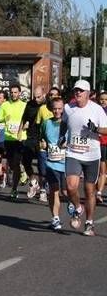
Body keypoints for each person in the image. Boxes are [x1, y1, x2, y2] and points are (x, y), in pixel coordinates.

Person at [62, 79, 107, 236]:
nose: (78, 93)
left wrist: (96, 129)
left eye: (81, 91)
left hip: (92, 155)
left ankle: (89, 223)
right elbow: (63, 123)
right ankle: (78, 207)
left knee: (89, 191)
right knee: (71, 186)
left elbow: (106, 130)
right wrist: (62, 137)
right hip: (73, 153)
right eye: (76, 90)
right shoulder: (68, 108)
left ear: (88, 93)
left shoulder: (97, 110)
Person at [0, 82, 30, 200]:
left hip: (20, 138)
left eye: (15, 92)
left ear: (20, 93)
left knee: (16, 163)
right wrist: (3, 119)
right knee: (11, 164)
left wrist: (26, 124)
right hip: (8, 138)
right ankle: (22, 172)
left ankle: (14, 188)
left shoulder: (24, 105)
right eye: (11, 92)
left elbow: (29, 119)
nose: (13, 94)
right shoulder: (5, 105)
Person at [39, 97, 66, 230]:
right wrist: (43, 144)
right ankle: (55, 218)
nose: (57, 111)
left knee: (66, 192)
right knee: (53, 191)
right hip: (51, 162)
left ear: (63, 108)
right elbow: (41, 138)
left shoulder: (68, 123)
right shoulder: (46, 123)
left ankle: (75, 208)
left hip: (67, 163)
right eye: (54, 108)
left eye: (59, 109)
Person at [34, 86, 61, 204]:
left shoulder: (63, 112)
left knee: (57, 174)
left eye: (55, 95)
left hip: (59, 149)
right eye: (51, 95)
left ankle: (56, 190)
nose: (53, 97)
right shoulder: (42, 109)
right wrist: (40, 141)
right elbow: (38, 126)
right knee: (43, 170)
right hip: (44, 146)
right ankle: (43, 190)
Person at [20, 86, 46, 200]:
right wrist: (19, 134)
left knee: (42, 166)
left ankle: (43, 190)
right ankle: (33, 180)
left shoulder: (48, 105)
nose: (36, 99)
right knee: (25, 161)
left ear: (44, 94)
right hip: (30, 137)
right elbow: (24, 119)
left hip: (43, 138)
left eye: (39, 97)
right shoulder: (30, 104)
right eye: (35, 97)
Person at [97, 90, 107, 204]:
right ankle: (97, 192)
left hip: (104, 143)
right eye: (102, 99)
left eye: (105, 99)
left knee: (102, 170)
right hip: (98, 143)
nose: (103, 101)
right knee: (99, 170)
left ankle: (98, 192)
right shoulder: (96, 111)